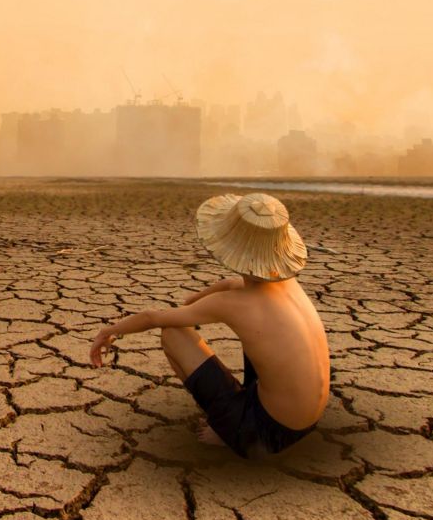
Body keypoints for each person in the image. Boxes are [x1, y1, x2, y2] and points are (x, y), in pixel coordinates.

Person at [89, 193, 329, 458]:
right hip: (307, 422)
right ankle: (238, 417)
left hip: (262, 435)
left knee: (173, 333)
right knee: (264, 342)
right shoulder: (286, 285)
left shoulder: (233, 304)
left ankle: (227, 431)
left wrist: (108, 331)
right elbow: (230, 284)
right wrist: (194, 300)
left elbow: (152, 317)